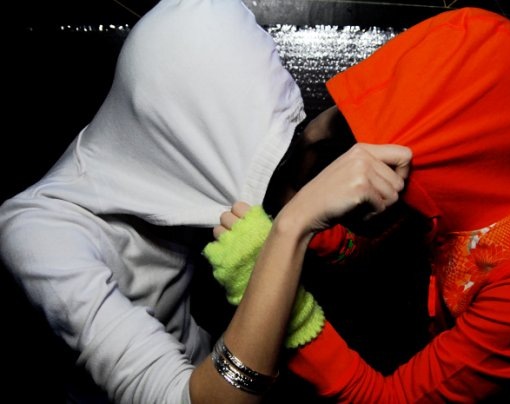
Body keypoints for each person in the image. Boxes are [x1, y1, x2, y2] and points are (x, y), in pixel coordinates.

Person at [2, 0, 401, 402]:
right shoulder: (38, 237)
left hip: (214, 356)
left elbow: (261, 191)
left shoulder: (163, 159)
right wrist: (293, 225)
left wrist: (309, 140)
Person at [203, 6, 510, 403]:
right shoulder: (456, 204)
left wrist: (270, 286)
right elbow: (357, 251)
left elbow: (388, 399)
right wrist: (310, 148)